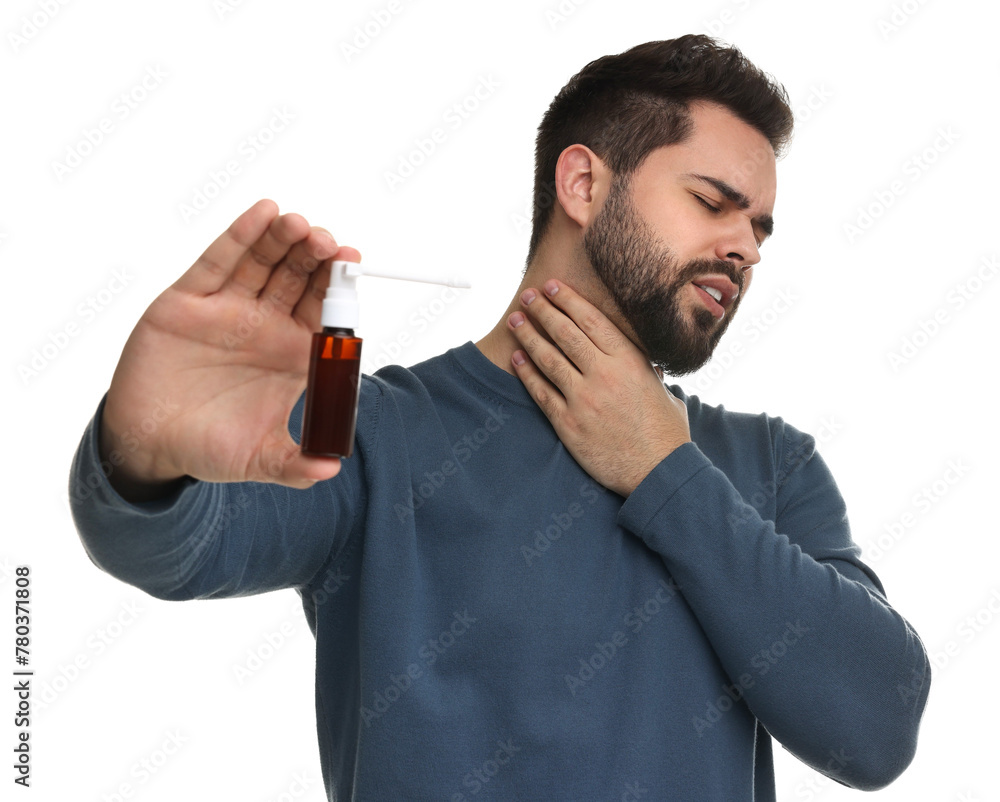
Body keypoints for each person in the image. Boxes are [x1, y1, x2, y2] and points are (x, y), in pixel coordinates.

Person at [69, 34, 930, 800]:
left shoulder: (770, 464)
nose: (744, 247)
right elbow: (172, 544)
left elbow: (876, 728)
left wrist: (664, 471)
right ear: (584, 183)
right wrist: (142, 451)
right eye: (713, 202)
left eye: (760, 228)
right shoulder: (377, 438)